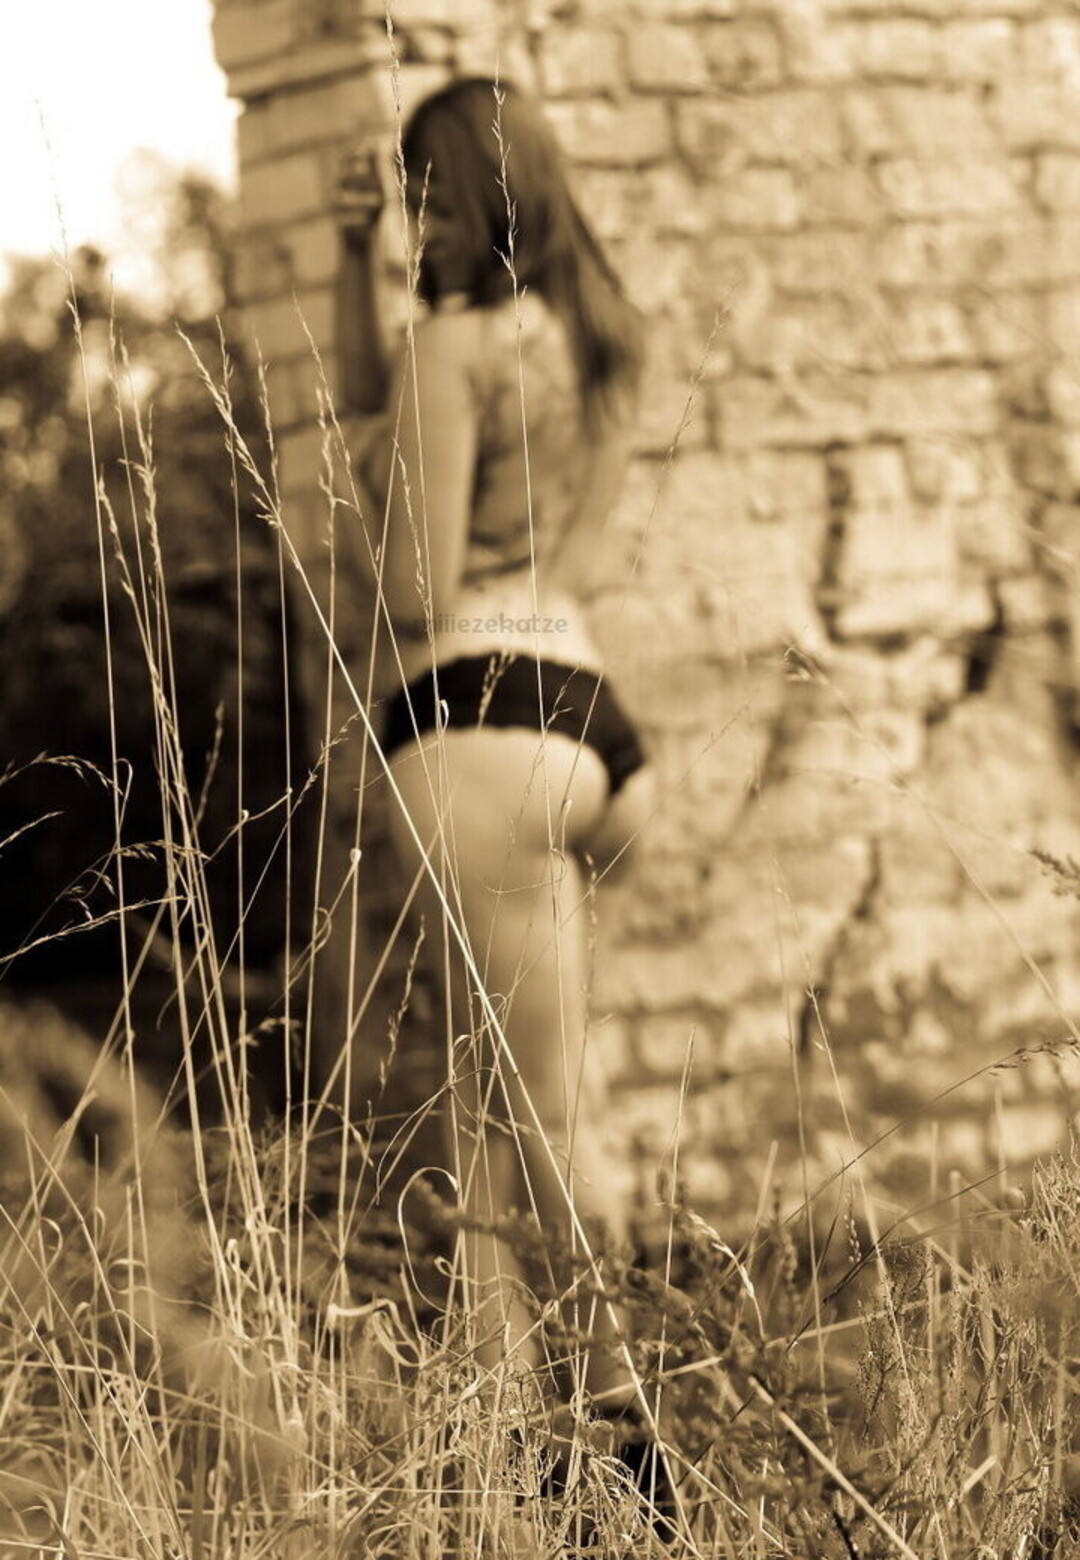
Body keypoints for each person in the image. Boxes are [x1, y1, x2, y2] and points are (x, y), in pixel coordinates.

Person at [335, 77, 674, 1532]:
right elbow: (559, 558)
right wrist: (360, 285)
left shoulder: (453, 349)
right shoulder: (596, 345)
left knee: (529, 1120)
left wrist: (354, 506)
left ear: (472, 196)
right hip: (585, 718)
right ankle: (518, 1447)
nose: (413, 219)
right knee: (492, 1110)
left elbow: (418, 588)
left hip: (471, 722)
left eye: (426, 190)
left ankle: (630, 1443)